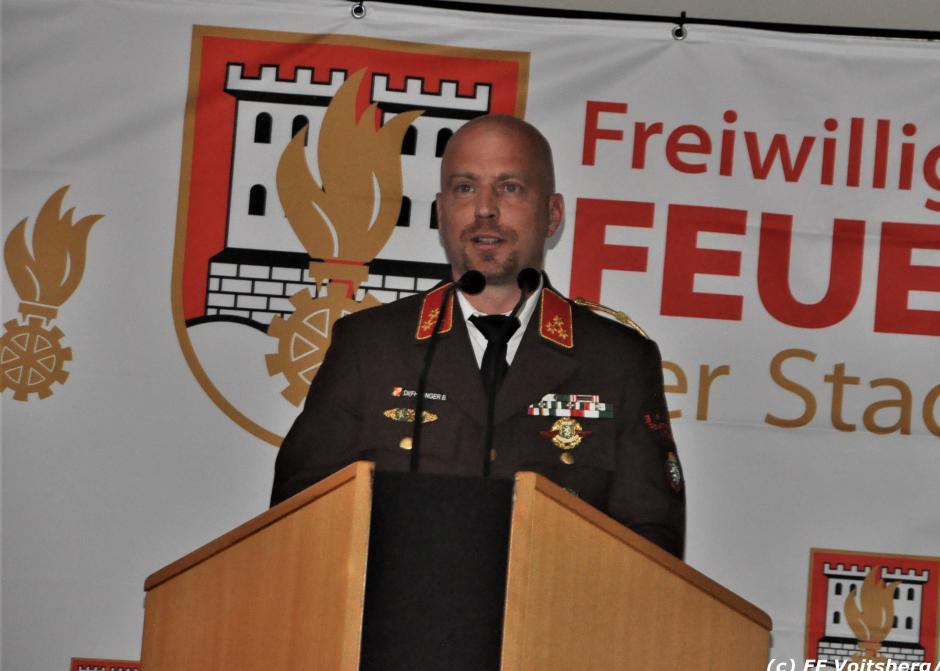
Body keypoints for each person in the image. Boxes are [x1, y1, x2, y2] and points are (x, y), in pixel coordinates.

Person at [270, 114, 685, 557]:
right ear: (441, 211)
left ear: (552, 214)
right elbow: (297, 515)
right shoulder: (370, 346)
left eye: (510, 187)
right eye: (465, 187)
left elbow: (652, 544)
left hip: (552, 600)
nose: (485, 208)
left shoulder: (617, 360)